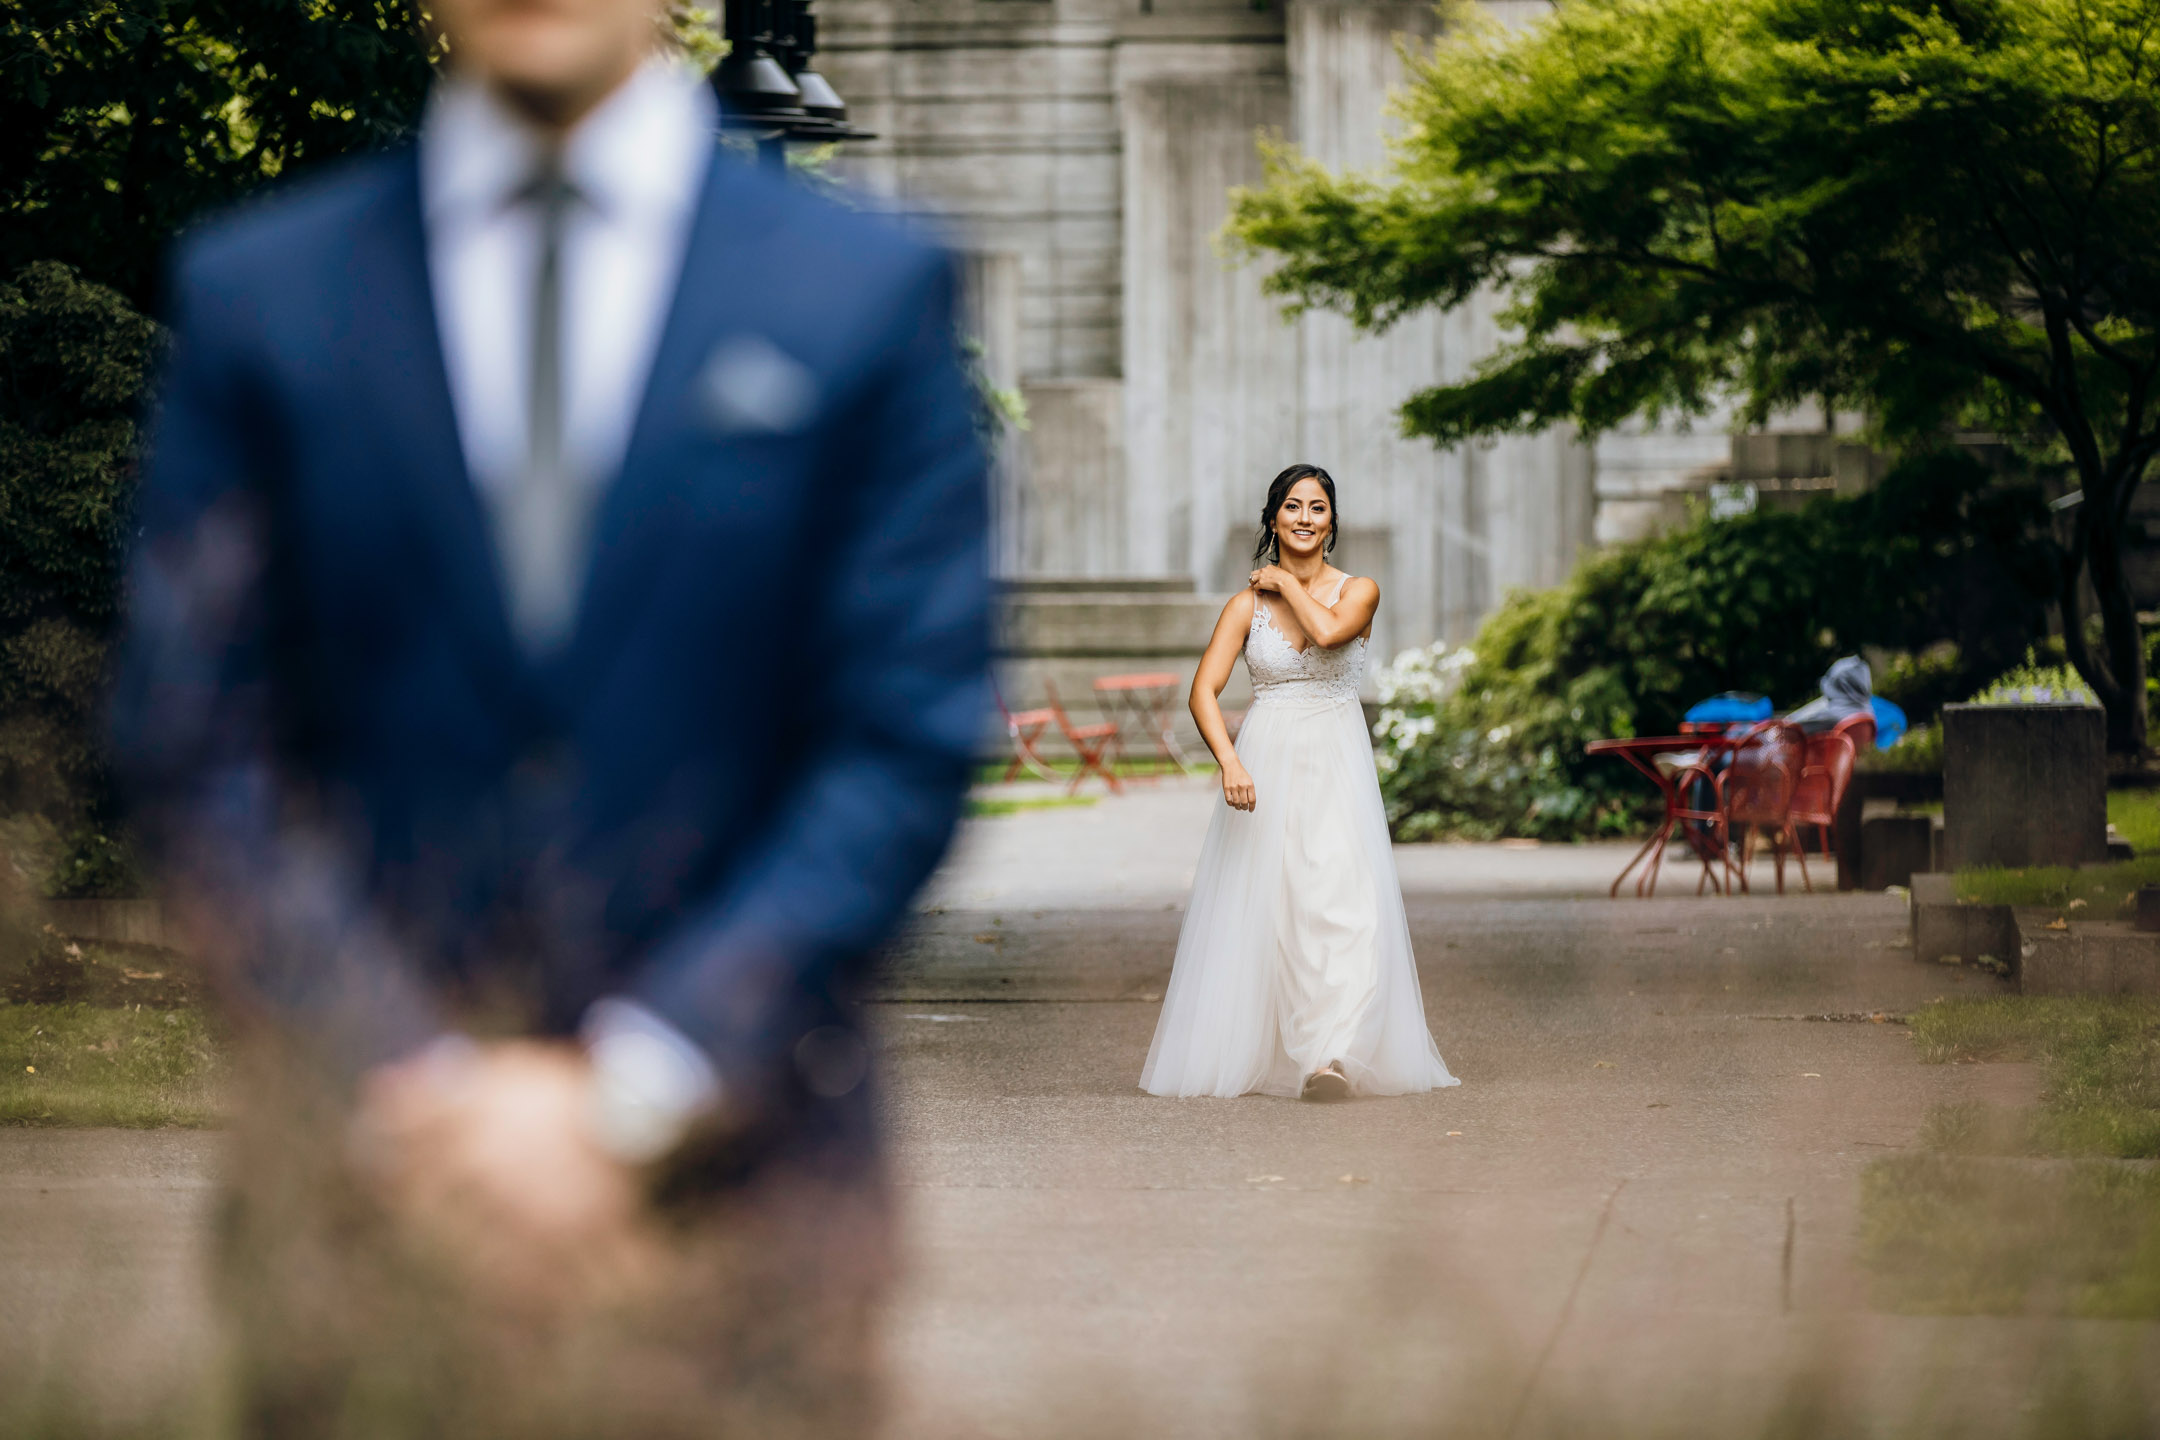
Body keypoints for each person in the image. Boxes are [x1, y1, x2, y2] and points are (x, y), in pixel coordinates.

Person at [110, 0, 990, 1429]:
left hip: (745, 1217)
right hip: (365, 1228)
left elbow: (899, 743)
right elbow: (198, 744)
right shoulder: (262, 296)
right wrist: (410, 1085)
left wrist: (641, 1086)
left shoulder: (863, 293)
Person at [1139, 464, 1458, 1102]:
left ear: (1332, 521)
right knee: (1282, 916)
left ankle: (1334, 1057)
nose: (1305, 518)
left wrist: (1284, 578)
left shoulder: (1359, 590)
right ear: (1274, 518)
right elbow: (1203, 690)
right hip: (1268, 761)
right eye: (1292, 506)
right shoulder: (1244, 607)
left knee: (1349, 908)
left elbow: (1328, 632)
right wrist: (1230, 761)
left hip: (1337, 762)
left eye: (1317, 507)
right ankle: (1300, 1052)